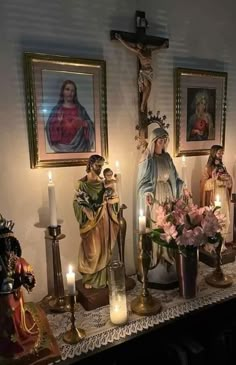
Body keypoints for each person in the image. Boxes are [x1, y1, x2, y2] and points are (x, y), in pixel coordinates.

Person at [137, 127, 185, 288]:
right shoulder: (147, 159)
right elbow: (142, 182)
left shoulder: (167, 157)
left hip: (168, 194)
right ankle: (157, 261)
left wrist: (181, 187)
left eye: (165, 141)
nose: (162, 144)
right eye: (160, 141)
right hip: (155, 195)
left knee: (170, 225)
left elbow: (175, 177)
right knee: (158, 225)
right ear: (153, 141)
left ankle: (170, 258)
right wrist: (147, 194)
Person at [73, 155, 120, 289]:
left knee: (104, 249)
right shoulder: (82, 184)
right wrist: (85, 210)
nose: (100, 169)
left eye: (102, 166)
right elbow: (76, 203)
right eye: (98, 166)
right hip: (91, 223)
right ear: (90, 165)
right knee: (92, 251)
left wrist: (113, 201)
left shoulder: (103, 182)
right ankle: (89, 278)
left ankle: (103, 279)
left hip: (104, 220)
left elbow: (113, 199)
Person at [0, 214, 37, 358]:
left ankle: (18, 335)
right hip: (3, 301)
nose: (8, 250)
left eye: (10, 245)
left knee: (15, 316)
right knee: (7, 318)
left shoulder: (18, 261)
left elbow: (29, 276)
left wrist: (26, 278)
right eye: (4, 246)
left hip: (15, 297)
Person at [115, 33, 168, 113]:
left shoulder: (149, 50)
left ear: (142, 44)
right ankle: (143, 104)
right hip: (144, 72)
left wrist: (163, 45)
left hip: (150, 71)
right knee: (148, 87)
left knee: (148, 87)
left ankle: (143, 103)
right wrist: (120, 39)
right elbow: (129, 47)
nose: (138, 45)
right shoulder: (138, 52)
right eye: (137, 45)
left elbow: (158, 48)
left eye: (139, 44)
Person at [46, 79, 95, 153]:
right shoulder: (56, 110)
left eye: (73, 90)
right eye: (67, 89)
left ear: (75, 93)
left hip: (80, 147)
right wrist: (58, 122)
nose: (70, 93)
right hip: (61, 148)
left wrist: (84, 123)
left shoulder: (81, 110)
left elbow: (91, 126)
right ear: (63, 91)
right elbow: (49, 128)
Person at [200, 145, 232, 246]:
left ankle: (222, 244)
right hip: (214, 195)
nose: (221, 155)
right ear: (214, 154)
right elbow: (203, 184)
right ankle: (213, 245)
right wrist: (213, 180)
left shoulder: (222, 166)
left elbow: (228, 180)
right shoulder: (208, 168)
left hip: (223, 195)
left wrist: (228, 179)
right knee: (215, 219)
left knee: (224, 219)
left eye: (222, 153)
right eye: (219, 153)